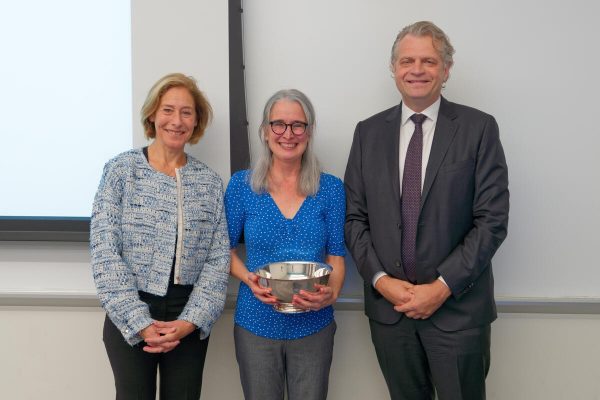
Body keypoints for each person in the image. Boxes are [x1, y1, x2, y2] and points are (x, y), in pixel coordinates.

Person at [344, 21, 509, 400]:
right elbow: (354, 219)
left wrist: (440, 288)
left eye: (428, 61)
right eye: (407, 60)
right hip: (390, 314)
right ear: (393, 68)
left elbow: (492, 221)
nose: (416, 70)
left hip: (458, 312)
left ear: (446, 69)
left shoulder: (478, 128)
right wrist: (382, 281)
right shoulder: (367, 133)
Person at [90, 72, 230, 399]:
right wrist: (140, 322)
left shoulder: (208, 182)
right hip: (130, 313)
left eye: (186, 112)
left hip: (188, 321)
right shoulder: (121, 170)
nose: (176, 121)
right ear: (152, 114)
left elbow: (218, 259)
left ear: (197, 122)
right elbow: (104, 253)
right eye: (168, 110)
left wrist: (191, 320)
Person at [224, 89, 346, 400]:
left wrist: (330, 296)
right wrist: (248, 279)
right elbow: (222, 252)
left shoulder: (330, 188)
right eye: (278, 124)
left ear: (310, 131)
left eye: (298, 125)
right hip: (255, 324)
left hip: (314, 325)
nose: (287, 134)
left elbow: (337, 255)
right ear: (265, 131)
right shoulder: (242, 185)